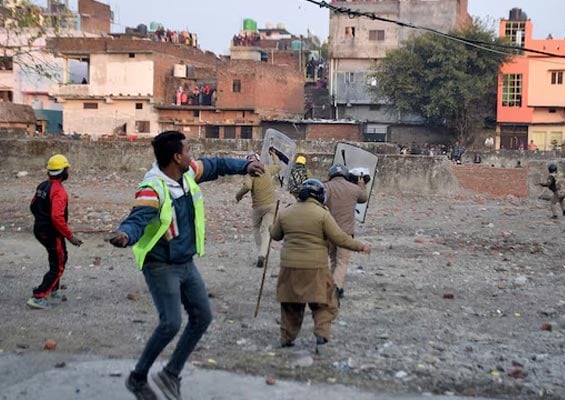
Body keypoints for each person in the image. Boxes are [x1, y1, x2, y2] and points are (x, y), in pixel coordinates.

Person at [109, 131, 264, 400]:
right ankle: (137, 378)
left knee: (202, 316)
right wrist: (125, 235)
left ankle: (170, 374)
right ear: (177, 157)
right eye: (189, 150)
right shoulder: (153, 188)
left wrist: (245, 166)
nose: (193, 155)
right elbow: (136, 219)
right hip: (161, 265)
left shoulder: (187, 172)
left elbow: (216, 165)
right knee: (170, 323)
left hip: (184, 261)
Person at [270, 179, 370, 348]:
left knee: (290, 304)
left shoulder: (285, 213)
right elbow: (339, 238)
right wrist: (360, 246)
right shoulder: (322, 214)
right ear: (320, 196)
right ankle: (322, 333)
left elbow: (275, 234)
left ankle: (287, 338)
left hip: (289, 267)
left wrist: (269, 228)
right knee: (325, 301)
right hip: (315, 267)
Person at [27, 154, 83, 309]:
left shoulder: (42, 186)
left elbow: (33, 205)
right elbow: (57, 217)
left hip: (40, 229)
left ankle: (53, 290)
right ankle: (38, 296)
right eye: (67, 169)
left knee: (59, 257)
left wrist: (41, 220)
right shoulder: (59, 191)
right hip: (52, 232)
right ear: (63, 171)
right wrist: (70, 236)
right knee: (58, 264)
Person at [323, 165, 368, 299]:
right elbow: (363, 198)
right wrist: (361, 184)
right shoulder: (354, 189)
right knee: (342, 261)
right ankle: (336, 287)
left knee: (333, 259)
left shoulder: (326, 187)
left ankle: (331, 285)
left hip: (329, 230)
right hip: (346, 233)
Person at [235, 150, 281, 268]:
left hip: (258, 206)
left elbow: (247, 186)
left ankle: (260, 251)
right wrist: (274, 154)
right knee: (266, 230)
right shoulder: (266, 168)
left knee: (256, 228)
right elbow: (278, 166)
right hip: (272, 204)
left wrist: (239, 195)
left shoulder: (249, 173)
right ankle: (263, 254)